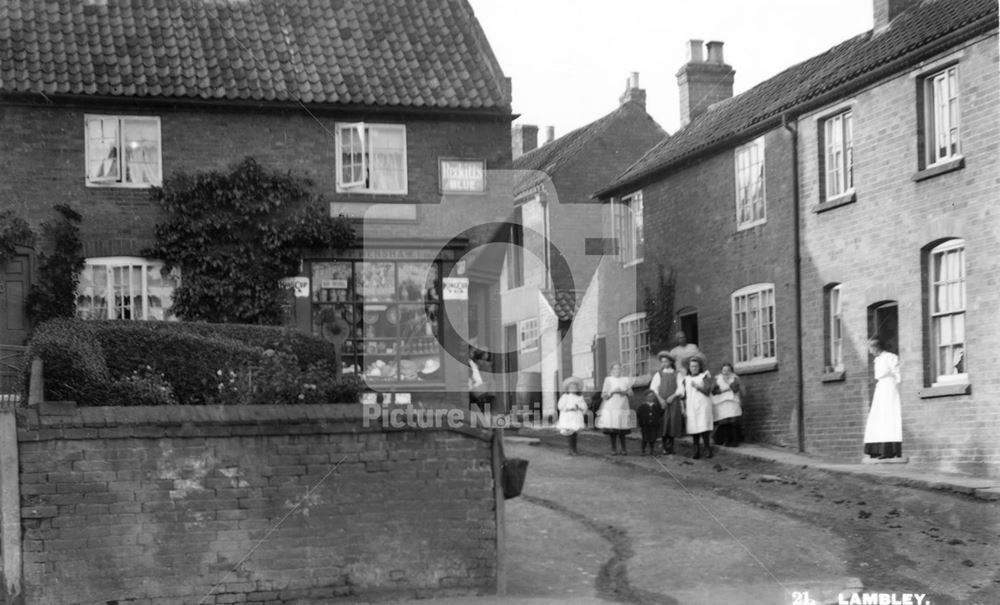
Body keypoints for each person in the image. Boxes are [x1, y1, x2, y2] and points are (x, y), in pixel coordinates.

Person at [863, 337, 903, 460]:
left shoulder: (890, 357)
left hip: (890, 388)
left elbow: (898, 373)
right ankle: (876, 449)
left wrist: (898, 388)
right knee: (879, 417)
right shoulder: (878, 360)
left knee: (889, 416)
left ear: (875, 347)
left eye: (870, 348)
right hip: (881, 389)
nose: (870, 351)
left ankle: (889, 450)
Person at [596, 362, 638, 456]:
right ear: (611, 370)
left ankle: (623, 448)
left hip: (622, 404)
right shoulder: (608, 380)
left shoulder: (625, 380)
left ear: (621, 370)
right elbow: (603, 395)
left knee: (622, 426)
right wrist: (612, 392)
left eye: (619, 369)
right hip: (611, 404)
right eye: (614, 369)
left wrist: (625, 392)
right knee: (613, 427)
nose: (617, 371)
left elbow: (631, 394)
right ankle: (613, 448)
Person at [679, 354, 714, 459]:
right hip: (691, 406)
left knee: (703, 427)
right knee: (694, 428)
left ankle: (707, 448)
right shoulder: (686, 379)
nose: (694, 368)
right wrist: (683, 408)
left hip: (703, 405)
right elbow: (683, 395)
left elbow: (707, 391)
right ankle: (696, 450)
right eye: (692, 366)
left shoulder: (704, 376)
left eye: (696, 366)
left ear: (699, 367)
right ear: (689, 368)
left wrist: (698, 387)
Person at [650, 350, 684, 455]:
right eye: (662, 362)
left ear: (670, 362)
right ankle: (664, 446)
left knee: (672, 422)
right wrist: (660, 400)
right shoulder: (659, 374)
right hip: (662, 401)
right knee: (663, 422)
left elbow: (680, 388)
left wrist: (673, 396)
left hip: (673, 401)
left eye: (666, 361)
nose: (664, 363)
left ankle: (671, 446)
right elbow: (654, 388)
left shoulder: (677, 374)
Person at [711, 362, 744, 447]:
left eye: (728, 370)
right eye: (724, 370)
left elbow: (735, 388)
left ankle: (735, 441)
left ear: (731, 371)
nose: (726, 372)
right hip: (722, 402)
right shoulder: (717, 378)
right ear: (721, 371)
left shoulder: (735, 378)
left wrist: (727, 386)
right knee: (724, 421)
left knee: (733, 421)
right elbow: (714, 390)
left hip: (732, 401)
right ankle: (727, 440)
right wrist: (723, 390)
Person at [556, 377, 588, 456]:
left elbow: (584, 406)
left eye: (575, 387)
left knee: (574, 433)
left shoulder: (580, 397)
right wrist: (568, 408)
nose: (573, 389)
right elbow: (560, 406)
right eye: (571, 387)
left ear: (578, 389)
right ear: (567, 389)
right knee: (569, 433)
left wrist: (580, 407)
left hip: (576, 416)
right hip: (568, 416)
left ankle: (574, 449)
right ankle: (571, 449)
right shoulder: (565, 397)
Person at [636, 390, 665, 455]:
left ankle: (652, 450)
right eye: (649, 396)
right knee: (645, 438)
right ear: (646, 397)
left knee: (653, 438)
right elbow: (638, 414)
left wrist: (663, 408)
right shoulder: (642, 406)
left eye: (652, 396)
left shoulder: (656, 406)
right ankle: (643, 450)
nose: (650, 398)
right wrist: (641, 422)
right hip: (645, 425)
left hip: (654, 425)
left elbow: (660, 413)